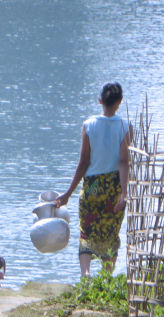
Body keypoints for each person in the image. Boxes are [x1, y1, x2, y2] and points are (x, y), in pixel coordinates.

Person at [56, 81, 132, 277]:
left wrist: (67, 193)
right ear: (120, 101)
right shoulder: (125, 127)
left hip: (93, 186)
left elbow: (83, 162)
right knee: (111, 232)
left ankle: (86, 273)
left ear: (100, 101)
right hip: (114, 186)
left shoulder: (88, 125)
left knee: (86, 231)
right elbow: (124, 162)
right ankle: (106, 277)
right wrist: (124, 194)